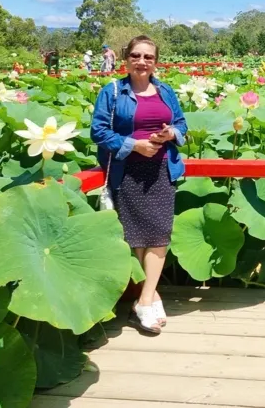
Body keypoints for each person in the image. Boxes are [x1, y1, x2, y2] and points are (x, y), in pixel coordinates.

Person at [90, 35, 188, 335]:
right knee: (136, 236)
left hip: (161, 168)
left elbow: (182, 124)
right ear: (126, 59)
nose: (142, 61)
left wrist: (170, 134)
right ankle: (151, 297)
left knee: (159, 234)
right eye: (136, 55)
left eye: (148, 57)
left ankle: (144, 300)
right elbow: (98, 131)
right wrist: (133, 145)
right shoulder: (113, 91)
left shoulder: (166, 90)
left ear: (155, 62)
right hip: (127, 169)